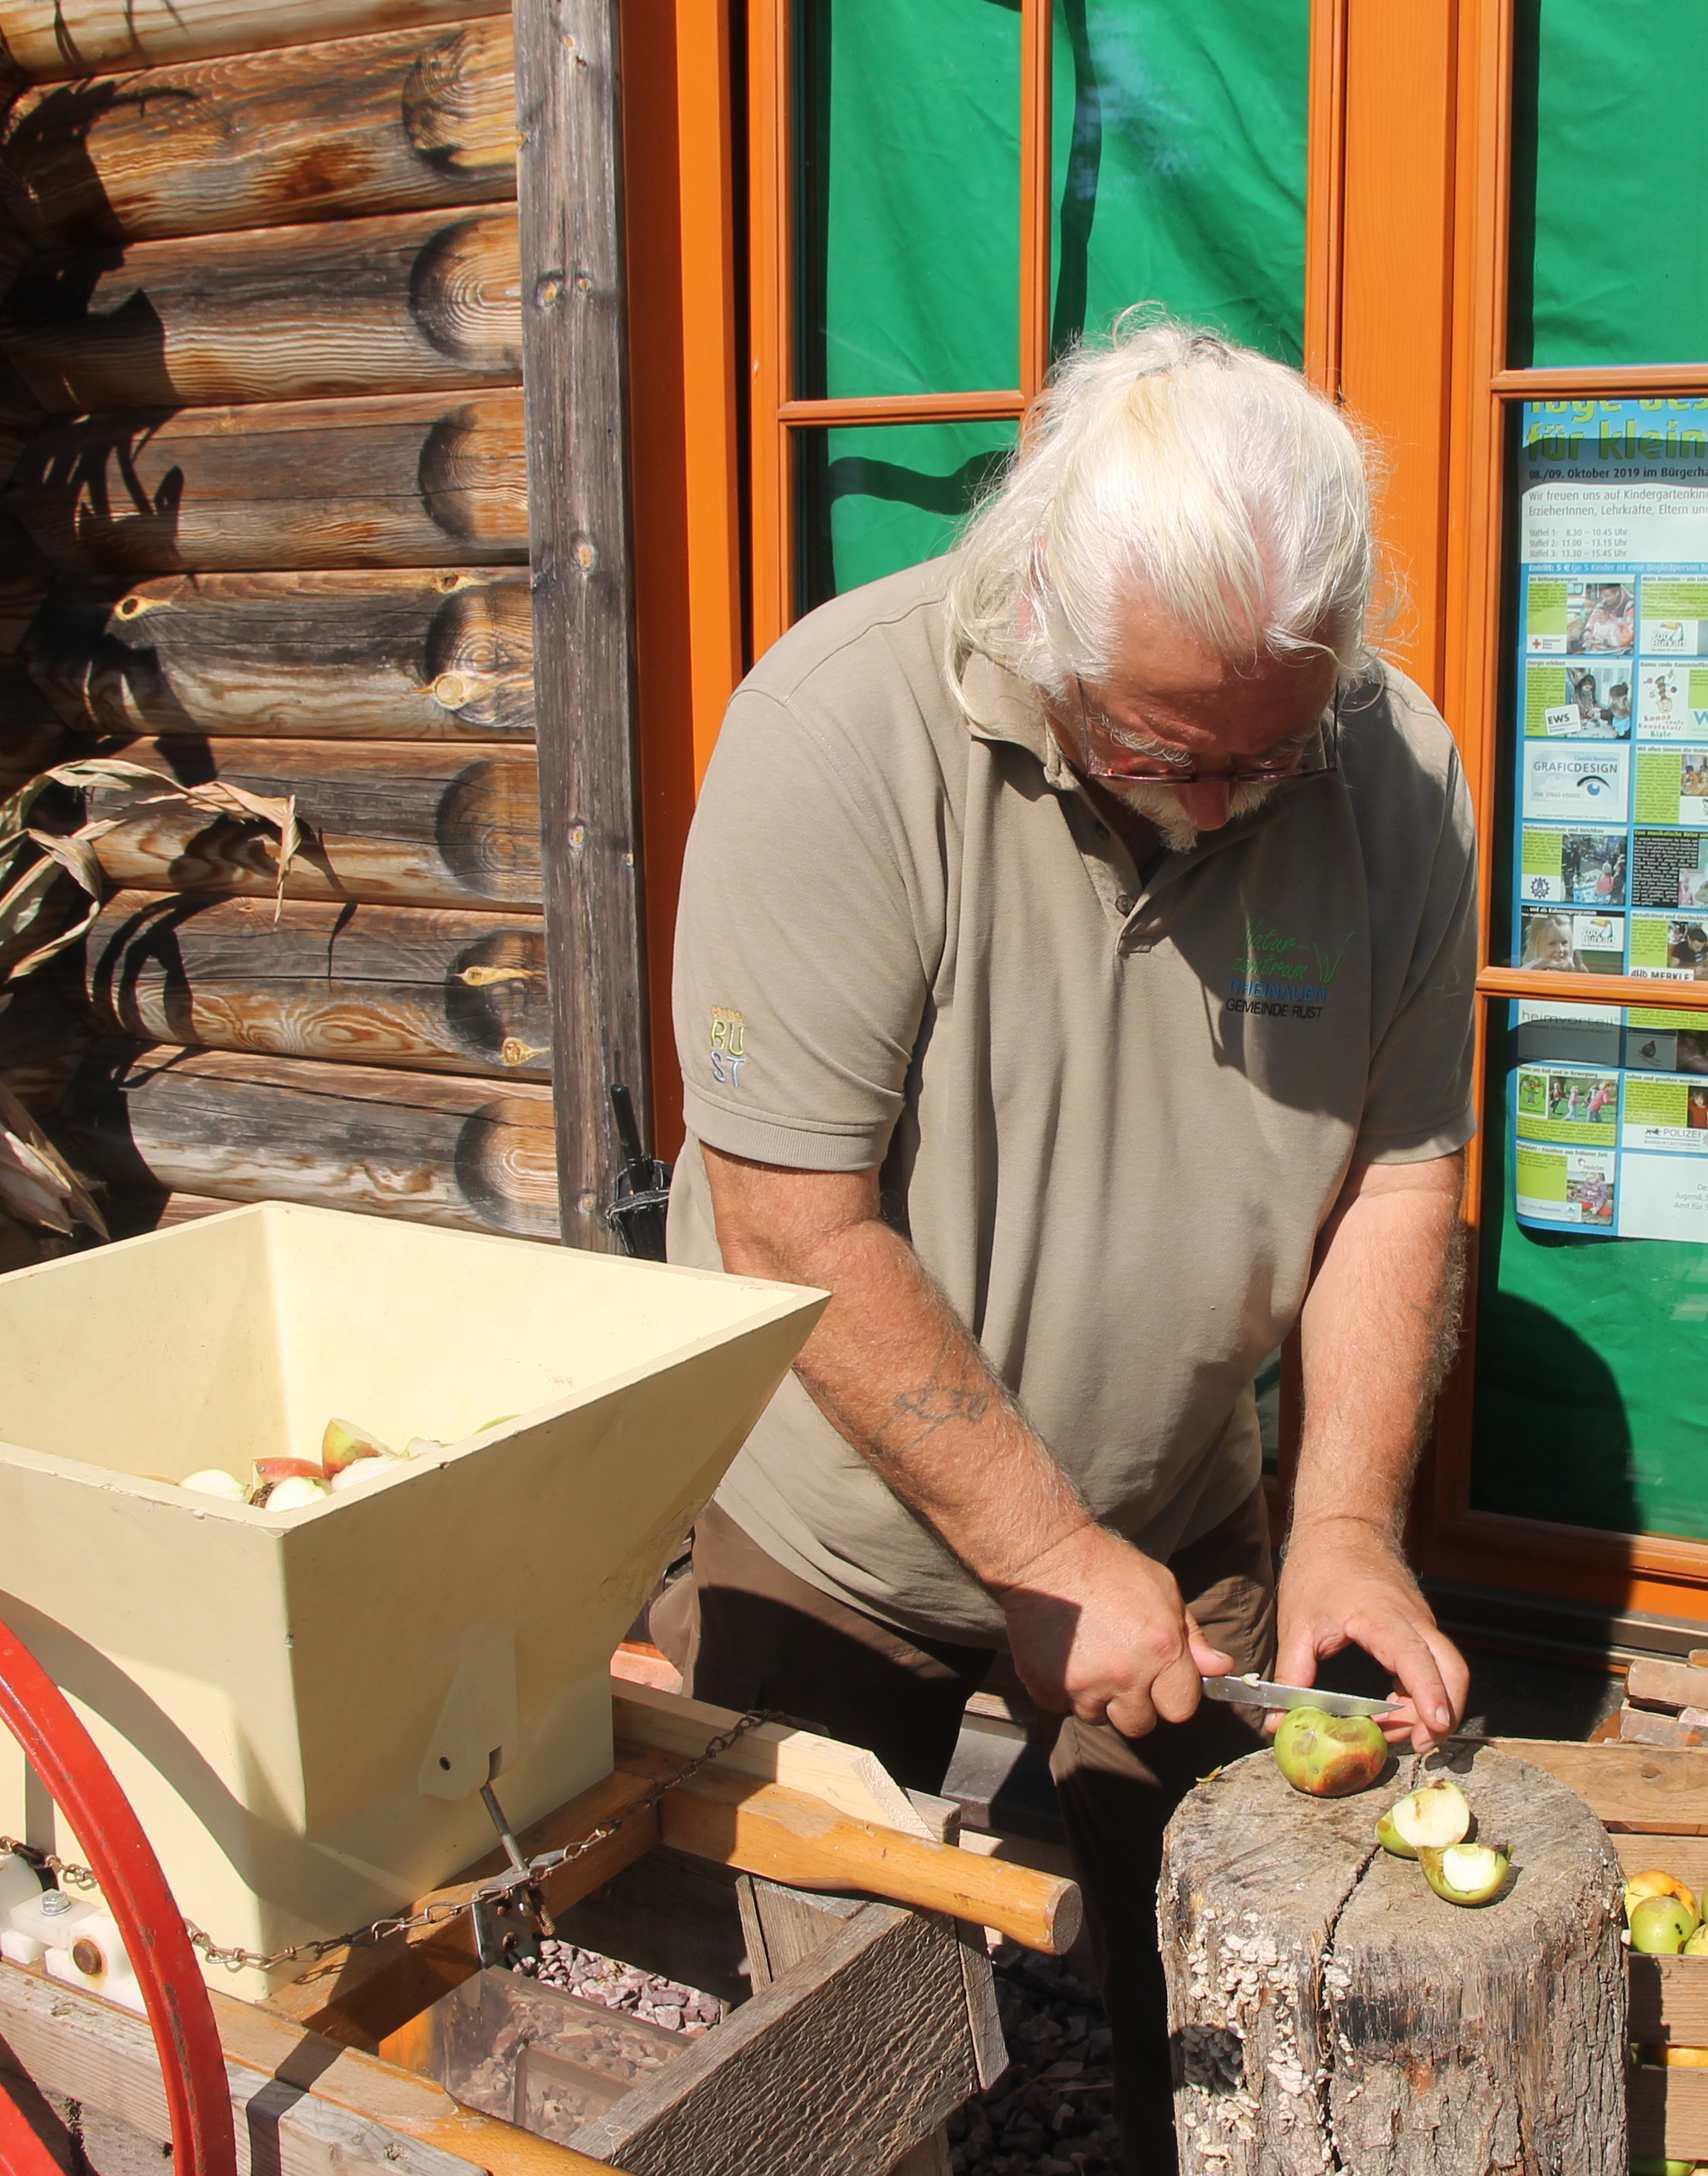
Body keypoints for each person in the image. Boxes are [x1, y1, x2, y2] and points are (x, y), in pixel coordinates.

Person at [655, 319, 1479, 2176]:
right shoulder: (835, 730)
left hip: (1182, 1522)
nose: (1228, 801)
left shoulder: (1389, 765)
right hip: (831, 1540)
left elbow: (1395, 1175)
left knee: (1234, 2012)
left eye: (1275, 752)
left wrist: (1348, 1524)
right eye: (1169, 749)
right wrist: (1031, 1541)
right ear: (1037, 611)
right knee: (804, 2051)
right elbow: (791, 1214)